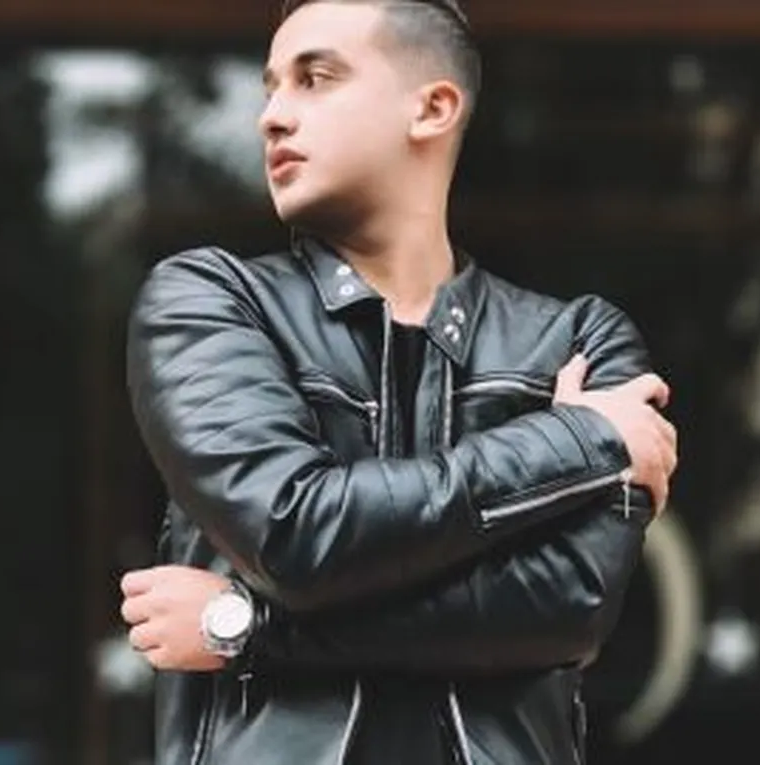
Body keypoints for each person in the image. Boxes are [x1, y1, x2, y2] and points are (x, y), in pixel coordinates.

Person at [119, 1, 679, 763]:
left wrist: (251, 626)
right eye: (271, 87)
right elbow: (297, 531)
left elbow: (566, 608)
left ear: (433, 108)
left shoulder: (579, 341)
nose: (272, 117)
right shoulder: (211, 301)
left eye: (316, 78)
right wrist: (577, 438)